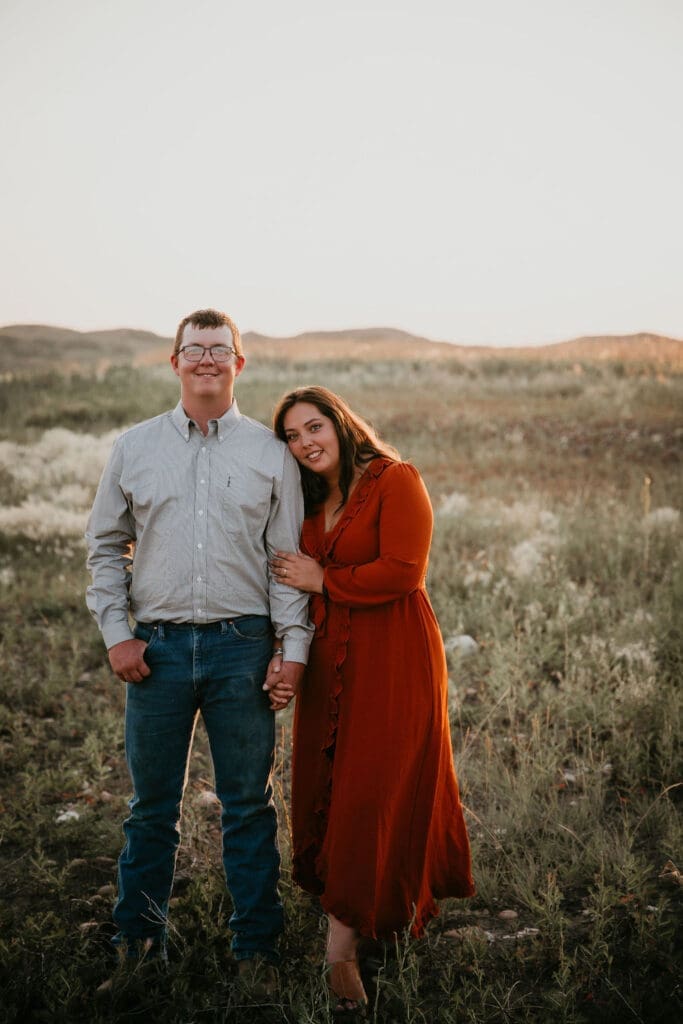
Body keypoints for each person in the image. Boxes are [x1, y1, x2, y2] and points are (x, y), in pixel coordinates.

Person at [85, 308, 311, 997]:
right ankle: (137, 949)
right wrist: (117, 633)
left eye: (219, 349)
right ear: (175, 363)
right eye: (194, 349)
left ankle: (257, 955)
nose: (206, 359)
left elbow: (287, 559)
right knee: (151, 808)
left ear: (239, 364)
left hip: (241, 648)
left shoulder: (270, 453)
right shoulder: (134, 447)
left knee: (247, 805)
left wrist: (292, 649)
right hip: (153, 651)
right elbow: (104, 546)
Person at [267, 386, 475, 1014]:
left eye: (313, 427)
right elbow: (284, 582)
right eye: (293, 437)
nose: (306, 443)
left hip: (393, 658)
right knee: (327, 782)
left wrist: (323, 578)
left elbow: (404, 570)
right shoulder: (308, 499)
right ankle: (362, 904)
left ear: (340, 423)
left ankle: (341, 953)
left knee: (371, 789)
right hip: (332, 661)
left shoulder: (394, 479)